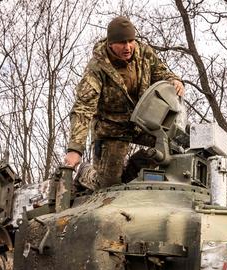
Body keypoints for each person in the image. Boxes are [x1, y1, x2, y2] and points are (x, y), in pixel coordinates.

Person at [63, 16, 184, 190]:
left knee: (172, 147)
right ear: (111, 43)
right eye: (121, 42)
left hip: (142, 123)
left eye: (130, 41)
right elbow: (83, 108)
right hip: (111, 128)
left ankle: (136, 168)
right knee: (107, 186)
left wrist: (174, 80)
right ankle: (86, 173)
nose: (127, 47)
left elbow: (160, 72)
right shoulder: (96, 69)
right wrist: (75, 149)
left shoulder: (143, 52)